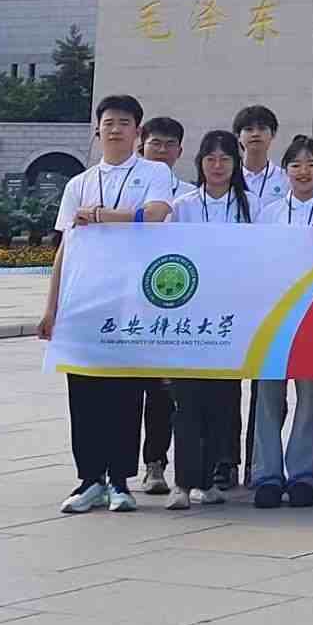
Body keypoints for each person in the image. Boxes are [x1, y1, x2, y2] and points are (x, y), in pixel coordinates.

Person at [41, 96, 179, 513]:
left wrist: (101, 215)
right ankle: (89, 479)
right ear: (97, 130)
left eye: (124, 122)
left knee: (124, 394)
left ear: (137, 131)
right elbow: (65, 247)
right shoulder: (77, 183)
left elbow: (156, 214)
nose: (115, 129)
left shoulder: (154, 172)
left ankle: (120, 480)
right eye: (108, 122)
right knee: (83, 393)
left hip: (130, 299)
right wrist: (51, 306)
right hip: (83, 300)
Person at [253, 135, 313, 507]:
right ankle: (265, 473)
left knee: (312, 399)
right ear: (285, 172)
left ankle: (303, 474)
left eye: (311, 164)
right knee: (268, 396)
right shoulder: (270, 212)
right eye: (296, 165)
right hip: (274, 316)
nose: (303, 171)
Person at [165, 130, 256, 510]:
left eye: (225, 159)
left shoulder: (251, 206)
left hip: (232, 317)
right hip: (190, 318)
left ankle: (217, 476)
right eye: (210, 159)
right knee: (186, 401)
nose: (218, 167)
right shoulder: (182, 206)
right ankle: (183, 482)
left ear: (235, 165)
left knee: (224, 400)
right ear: (200, 163)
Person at [226, 104, 285, 488]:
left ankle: (260, 463)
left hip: (279, 298)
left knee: (269, 389)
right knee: (229, 386)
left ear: (272, 136)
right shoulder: (225, 178)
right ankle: (227, 461)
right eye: (248, 129)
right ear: (239, 137)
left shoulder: (288, 178)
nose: (255, 135)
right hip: (236, 295)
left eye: (263, 128)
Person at [136, 115, 188, 495]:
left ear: (180, 151)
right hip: (130, 301)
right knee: (124, 390)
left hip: (172, 304)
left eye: (170, 145)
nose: (163, 150)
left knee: (162, 391)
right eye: (156, 143)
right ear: (142, 145)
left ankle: (156, 463)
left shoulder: (186, 197)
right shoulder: (127, 190)